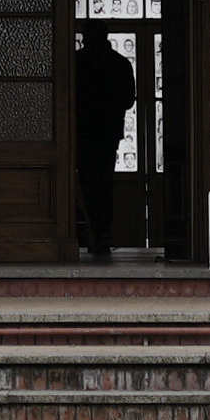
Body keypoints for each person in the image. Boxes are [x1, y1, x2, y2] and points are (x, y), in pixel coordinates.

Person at [71, 28, 141, 257]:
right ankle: (103, 232)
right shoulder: (119, 63)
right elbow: (129, 98)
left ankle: (95, 231)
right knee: (104, 182)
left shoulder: (77, 61)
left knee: (89, 184)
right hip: (108, 132)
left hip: (82, 132)